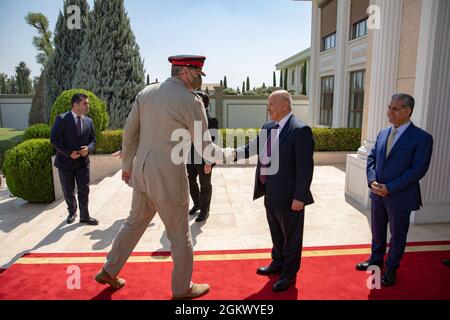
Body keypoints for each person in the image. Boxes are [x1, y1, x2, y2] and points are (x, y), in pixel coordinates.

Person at [95, 55, 233, 299]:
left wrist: (127, 166)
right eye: (198, 73)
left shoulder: (146, 93)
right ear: (186, 72)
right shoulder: (191, 101)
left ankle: (109, 269)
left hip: (142, 172)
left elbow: (130, 133)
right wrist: (236, 153)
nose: (200, 78)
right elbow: (207, 150)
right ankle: (182, 288)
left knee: (134, 222)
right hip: (169, 177)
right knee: (180, 236)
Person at [235, 90, 315, 292]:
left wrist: (299, 197)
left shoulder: (300, 130)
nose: (267, 107)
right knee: (276, 233)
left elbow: (305, 168)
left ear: (285, 106)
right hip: (270, 192)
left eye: (271, 104)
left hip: (290, 198)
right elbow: (250, 148)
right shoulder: (268, 127)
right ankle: (277, 263)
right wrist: (223, 155)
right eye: (268, 104)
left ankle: (289, 274)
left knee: (291, 237)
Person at [356, 94, 433, 287]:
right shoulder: (383, 133)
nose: (390, 112)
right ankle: (375, 261)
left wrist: (390, 188)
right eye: (389, 107)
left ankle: (391, 269)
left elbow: (418, 170)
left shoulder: (422, 138)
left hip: (401, 196)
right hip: (377, 194)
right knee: (377, 231)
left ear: (408, 111)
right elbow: (372, 159)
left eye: (396, 109)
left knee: (397, 236)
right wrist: (372, 180)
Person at [50, 93, 98, 226]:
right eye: (85, 103)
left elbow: (93, 140)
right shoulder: (62, 119)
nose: (88, 106)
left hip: (83, 163)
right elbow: (54, 139)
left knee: (84, 189)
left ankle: (85, 216)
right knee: (68, 191)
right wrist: (69, 152)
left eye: (87, 103)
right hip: (65, 163)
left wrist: (88, 148)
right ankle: (72, 212)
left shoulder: (89, 121)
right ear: (75, 105)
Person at [187, 91, 219, 222]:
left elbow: (213, 142)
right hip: (190, 157)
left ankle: (205, 211)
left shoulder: (211, 119)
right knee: (191, 181)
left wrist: (209, 162)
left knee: (205, 184)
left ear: (202, 103)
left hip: (204, 159)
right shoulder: (191, 117)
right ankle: (197, 204)